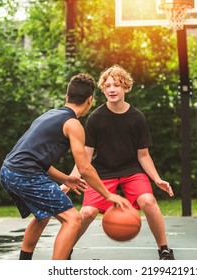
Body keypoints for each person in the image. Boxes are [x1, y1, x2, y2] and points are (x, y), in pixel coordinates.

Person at [0, 73, 130, 260]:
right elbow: (85, 168)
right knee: (73, 219)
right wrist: (108, 195)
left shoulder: (49, 115)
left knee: (43, 214)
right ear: (89, 100)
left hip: (8, 171)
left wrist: (66, 179)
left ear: (67, 97)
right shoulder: (73, 124)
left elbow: (34, 159)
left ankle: (24, 264)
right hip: (24, 174)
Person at [67, 65, 175, 260]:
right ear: (103, 89)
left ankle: (164, 249)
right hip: (102, 172)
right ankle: (65, 250)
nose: (112, 89)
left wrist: (157, 179)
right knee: (87, 213)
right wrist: (71, 179)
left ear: (126, 87)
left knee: (149, 201)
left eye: (117, 84)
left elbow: (143, 155)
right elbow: (86, 155)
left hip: (131, 170)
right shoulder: (95, 118)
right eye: (107, 85)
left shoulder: (137, 118)